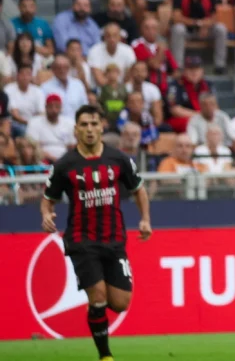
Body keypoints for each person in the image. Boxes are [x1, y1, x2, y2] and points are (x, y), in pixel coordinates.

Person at [41, 104, 152, 361]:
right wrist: (46, 215)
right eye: (84, 125)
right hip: (82, 239)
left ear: (102, 127)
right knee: (98, 295)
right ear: (76, 129)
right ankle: (105, 356)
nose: (89, 130)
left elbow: (138, 189)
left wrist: (145, 219)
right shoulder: (65, 165)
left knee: (120, 302)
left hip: (114, 239)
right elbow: (48, 198)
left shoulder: (119, 159)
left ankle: (97, 316)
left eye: (94, 124)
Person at [26, 93, 75, 161]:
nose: (54, 110)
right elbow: (32, 146)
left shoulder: (69, 123)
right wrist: (52, 158)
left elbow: (72, 146)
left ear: (61, 108)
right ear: (46, 107)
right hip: (42, 159)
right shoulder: (34, 122)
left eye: (57, 107)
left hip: (65, 160)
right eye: (51, 106)